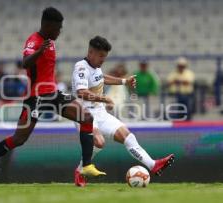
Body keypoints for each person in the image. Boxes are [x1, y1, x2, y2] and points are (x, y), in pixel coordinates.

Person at [0, 7, 104, 186]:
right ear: (47, 26)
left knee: (86, 117)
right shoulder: (34, 41)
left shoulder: (50, 41)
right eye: (57, 28)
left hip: (53, 94)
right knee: (19, 139)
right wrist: (40, 51)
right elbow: (25, 63)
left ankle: (86, 165)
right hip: (36, 97)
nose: (59, 32)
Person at [72, 36, 175, 187]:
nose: (103, 60)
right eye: (101, 56)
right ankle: (80, 171)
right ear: (91, 52)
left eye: (105, 57)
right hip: (84, 115)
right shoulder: (80, 67)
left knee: (127, 136)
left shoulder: (95, 67)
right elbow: (81, 92)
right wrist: (104, 98)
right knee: (99, 142)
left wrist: (124, 81)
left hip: (100, 114)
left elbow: (101, 78)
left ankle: (154, 165)